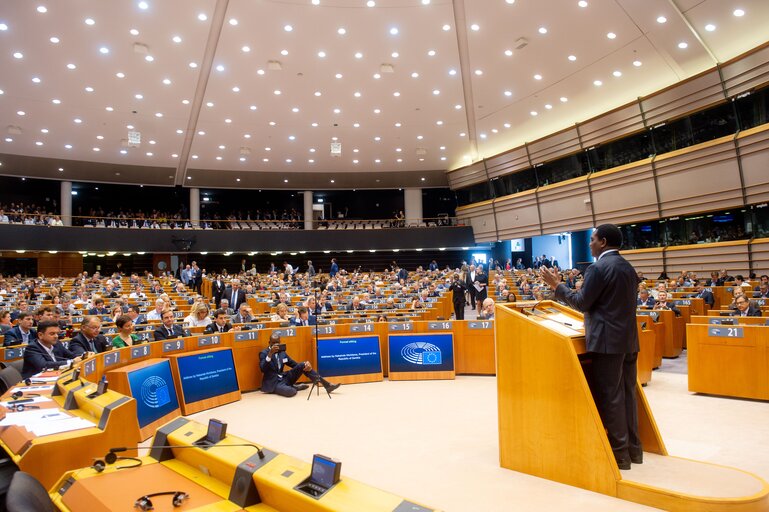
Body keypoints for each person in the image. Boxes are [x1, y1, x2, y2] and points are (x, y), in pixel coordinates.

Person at [540, 224, 641, 470]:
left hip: (606, 342)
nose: (589, 243)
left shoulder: (599, 268)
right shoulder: (628, 267)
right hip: (628, 340)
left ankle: (619, 457)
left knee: (611, 397)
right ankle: (634, 452)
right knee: (628, 394)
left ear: (603, 242)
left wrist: (557, 286)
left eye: (593, 239)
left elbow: (582, 302)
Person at [259, 332, 340, 397]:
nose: (276, 345)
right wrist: (270, 354)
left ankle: (327, 385)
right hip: (274, 382)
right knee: (291, 392)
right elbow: (263, 369)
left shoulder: (282, 353)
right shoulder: (264, 353)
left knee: (304, 365)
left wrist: (305, 365)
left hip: (284, 377)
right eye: (273, 343)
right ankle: (295, 387)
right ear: (269, 343)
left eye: (277, 343)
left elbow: (294, 364)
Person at [22, 320, 89, 379]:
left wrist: (84, 356)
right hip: (35, 383)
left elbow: (71, 355)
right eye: (52, 334)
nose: (56, 336)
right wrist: (71, 362)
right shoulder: (32, 348)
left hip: (57, 377)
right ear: (40, 335)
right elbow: (44, 366)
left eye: (57, 333)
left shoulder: (57, 344)